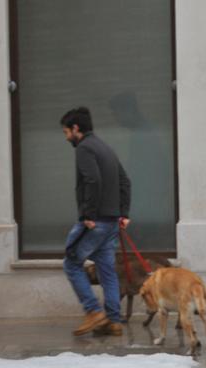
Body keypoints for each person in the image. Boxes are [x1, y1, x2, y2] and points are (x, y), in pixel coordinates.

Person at [60, 106, 132, 336]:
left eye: (66, 132)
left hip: (95, 221)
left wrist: (88, 215)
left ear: (75, 128)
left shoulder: (84, 148)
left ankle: (93, 311)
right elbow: (125, 181)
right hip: (111, 221)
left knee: (71, 263)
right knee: (106, 271)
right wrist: (123, 214)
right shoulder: (105, 147)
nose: (66, 137)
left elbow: (92, 180)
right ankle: (114, 321)